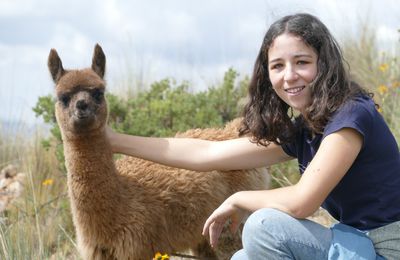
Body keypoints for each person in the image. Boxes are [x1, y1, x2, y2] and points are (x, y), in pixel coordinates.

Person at [106, 13, 400, 260]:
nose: (289, 76)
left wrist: (240, 198)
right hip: (357, 243)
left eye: (302, 62)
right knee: (242, 257)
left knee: (263, 226)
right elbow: (206, 154)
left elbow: (302, 201)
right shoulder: (308, 129)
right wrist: (114, 141)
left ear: (324, 63)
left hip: (388, 248)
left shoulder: (351, 116)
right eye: (277, 66)